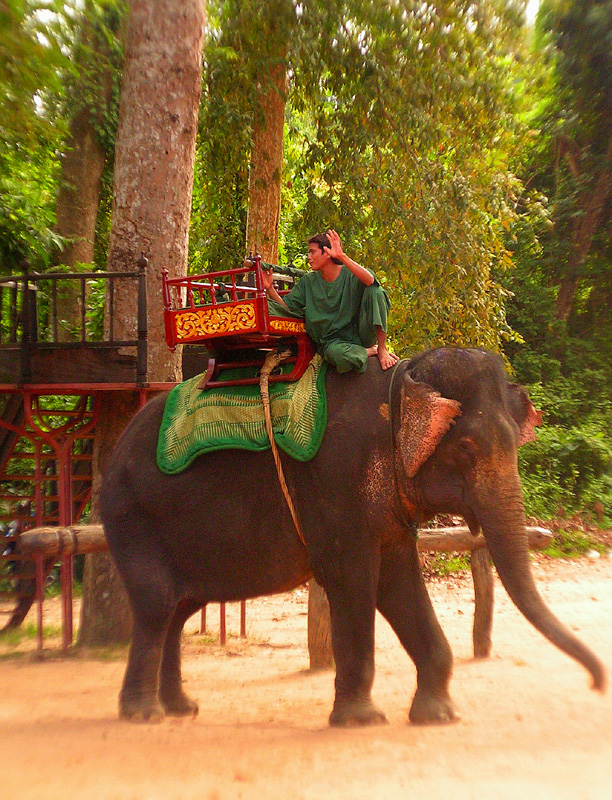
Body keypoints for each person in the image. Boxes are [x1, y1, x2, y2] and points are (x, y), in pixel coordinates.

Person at [263, 230, 398, 373]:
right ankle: (369, 352)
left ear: (327, 253)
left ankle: (382, 349)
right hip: (334, 345)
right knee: (338, 356)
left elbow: (371, 280)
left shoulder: (350, 273)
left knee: (375, 291)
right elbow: (288, 308)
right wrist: (270, 289)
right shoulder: (308, 281)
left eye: (312, 252)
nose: (309, 257)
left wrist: (341, 256)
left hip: (360, 334)